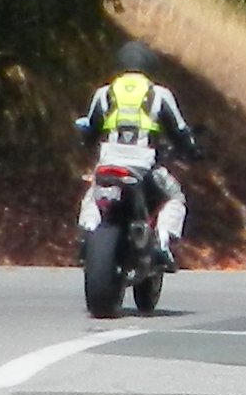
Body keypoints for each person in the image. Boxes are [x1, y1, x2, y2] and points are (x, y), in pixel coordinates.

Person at [78, 39, 202, 257]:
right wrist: (192, 149)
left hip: (108, 161)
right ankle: (163, 241)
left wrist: (85, 143)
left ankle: (87, 232)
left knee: (92, 197)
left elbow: (89, 129)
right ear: (149, 66)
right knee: (174, 198)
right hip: (144, 164)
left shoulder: (104, 93)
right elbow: (180, 131)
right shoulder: (160, 94)